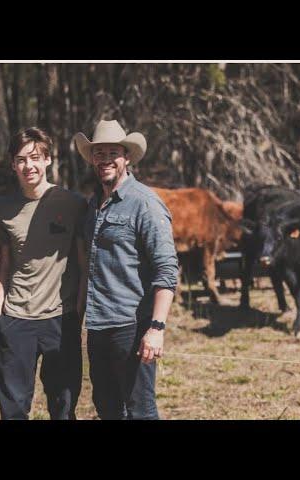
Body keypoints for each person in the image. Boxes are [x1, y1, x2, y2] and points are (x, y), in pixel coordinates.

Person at [73, 119, 179, 420]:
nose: (105, 160)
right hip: (98, 326)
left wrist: (156, 329)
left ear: (126, 157)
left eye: (112, 153)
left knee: (140, 409)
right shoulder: (94, 204)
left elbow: (167, 269)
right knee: (107, 407)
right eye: (99, 153)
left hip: (131, 326)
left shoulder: (144, 203)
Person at [0, 127, 87, 420]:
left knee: (63, 406)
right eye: (21, 159)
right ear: (12, 164)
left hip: (61, 317)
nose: (28, 166)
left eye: (35, 157)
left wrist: (79, 315)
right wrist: (0, 315)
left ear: (48, 159)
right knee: (14, 409)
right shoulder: (2, 209)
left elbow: (84, 264)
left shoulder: (73, 204)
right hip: (17, 318)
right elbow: (3, 265)